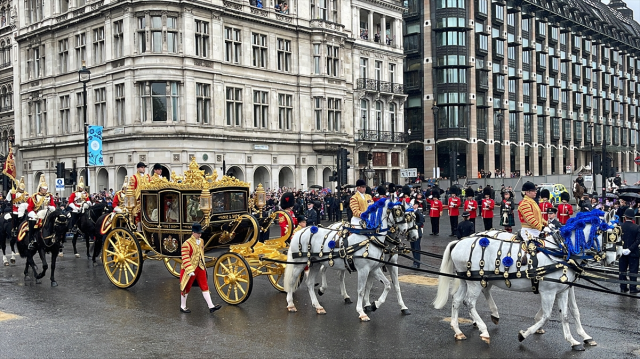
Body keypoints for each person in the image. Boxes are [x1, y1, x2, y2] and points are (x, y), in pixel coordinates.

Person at [180, 223, 223, 313]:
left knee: (205, 286)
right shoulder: (186, 244)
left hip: (200, 266)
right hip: (190, 269)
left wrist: (203, 264)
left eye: (200, 233)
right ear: (193, 233)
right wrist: (189, 269)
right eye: (198, 233)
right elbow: (185, 257)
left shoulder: (201, 241)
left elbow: (201, 254)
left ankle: (211, 306)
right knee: (186, 287)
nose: (200, 235)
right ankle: (183, 306)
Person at [26, 175, 56, 250]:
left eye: (46, 189)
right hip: (37, 213)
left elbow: (53, 205)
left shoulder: (49, 196)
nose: (45, 190)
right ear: (40, 189)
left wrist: (51, 208)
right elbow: (30, 207)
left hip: (48, 213)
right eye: (43, 189)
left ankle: (58, 239)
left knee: (58, 222)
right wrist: (34, 214)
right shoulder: (35, 196)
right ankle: (31, 240)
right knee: (33, 222)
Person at [619, 208, 640, 293]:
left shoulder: (620, 227)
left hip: (622, 252)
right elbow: (638, 240)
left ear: (625, 217)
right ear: (633, 218)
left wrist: (622, 249)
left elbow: (618, 239)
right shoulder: (637, 227)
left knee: (622, 270)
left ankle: (623, 287)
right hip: (633, 252)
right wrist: (630, 249)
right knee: (633, 271)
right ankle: (633, 288)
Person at [411, 202, 424, 268]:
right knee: (413, 248)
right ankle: (414, 262)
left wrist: (415, 225)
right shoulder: (410, 213)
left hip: (417, 232)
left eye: (414, 204)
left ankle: (417, 263)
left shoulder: (419, 213)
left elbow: (421, 222)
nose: (413, 206)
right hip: (411, 233)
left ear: (417, 205)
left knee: (416, 248)